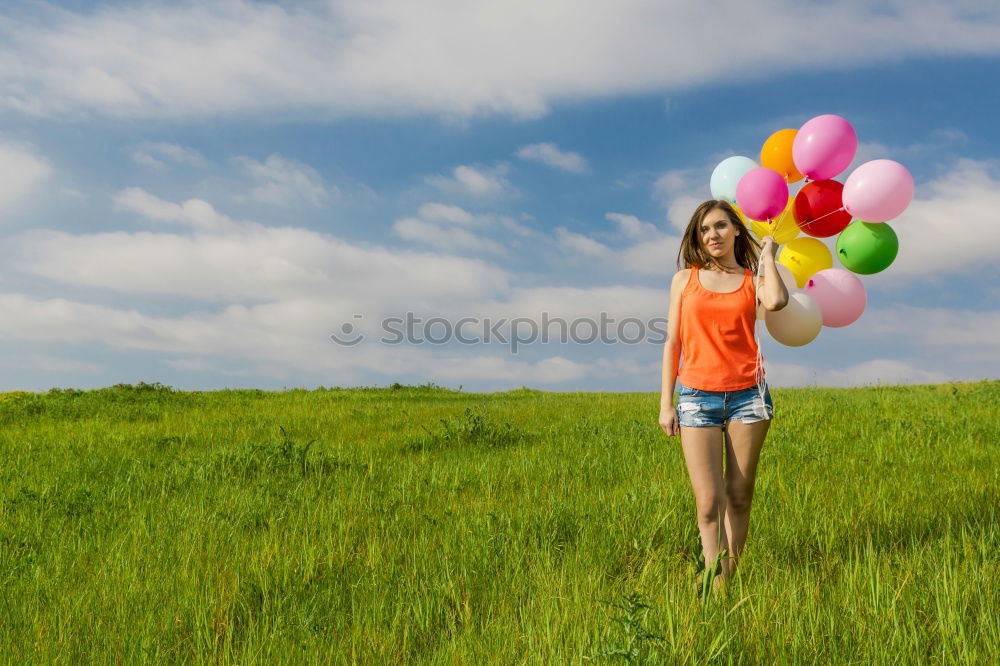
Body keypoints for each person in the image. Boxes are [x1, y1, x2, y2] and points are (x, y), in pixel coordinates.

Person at [658, 199, 789, 595]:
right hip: (697, 396)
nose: (711, 235)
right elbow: (672, 342)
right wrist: (667, 402)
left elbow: (777, 301)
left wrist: (767, 256)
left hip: (749, 397)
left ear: (735, 230)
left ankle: (724, 585)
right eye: (703, 229)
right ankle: (710, 576)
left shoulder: (753, 279)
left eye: (719, 226)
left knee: (739, 494)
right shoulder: (685, 280)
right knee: (708, 501)